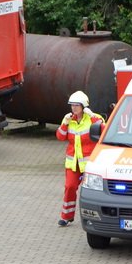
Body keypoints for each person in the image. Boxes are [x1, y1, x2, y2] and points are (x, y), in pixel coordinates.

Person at [55, 90, 104, 226]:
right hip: (73, 163)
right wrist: (64, 123)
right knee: (69, 187)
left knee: (92, 191)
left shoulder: (93, 118)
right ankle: (66, 216)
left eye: (77, 105)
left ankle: (96, 217)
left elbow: (104, 131)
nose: (74, 108)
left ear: (83, 106)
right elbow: (60, 136)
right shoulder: (69, 120)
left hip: (90, 164)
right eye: (72, 105)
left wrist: (93, 117)